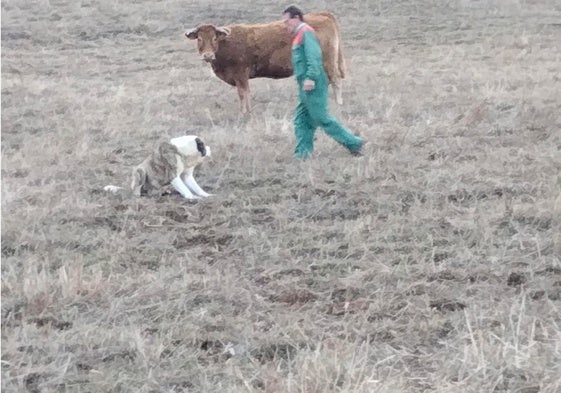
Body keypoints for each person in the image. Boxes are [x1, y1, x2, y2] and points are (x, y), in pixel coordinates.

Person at [282, 5, 364, 159]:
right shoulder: (299, 34)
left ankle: (353, 142)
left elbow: (314, 56)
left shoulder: (305, 32)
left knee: (321, 117)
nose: (285, 25)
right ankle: (302, 153)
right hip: (304, 84)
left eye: (287, 21)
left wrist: (310, 78)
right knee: (301, 119)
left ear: (296, 18)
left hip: (312, 83)